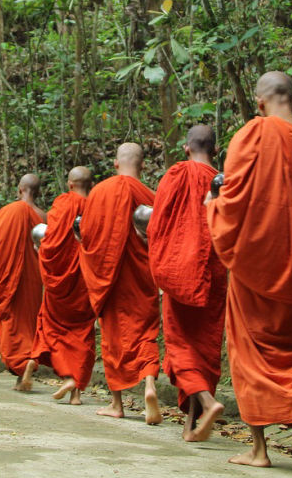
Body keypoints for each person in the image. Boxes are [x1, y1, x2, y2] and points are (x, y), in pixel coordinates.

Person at [205, 72, 292, 467]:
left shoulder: (252, 134)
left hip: (252, 269)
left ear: (259, 103)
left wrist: (211, 208)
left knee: (248, 356)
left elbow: (231, 200)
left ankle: (259, 451)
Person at [147, 125, 226, 442]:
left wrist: (160, 267)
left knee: (180, 345)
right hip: (215, 273)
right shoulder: (224, 181)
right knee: (204, 347)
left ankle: (207, 403)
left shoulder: (175, 175)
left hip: (179, 269)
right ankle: (190, 425)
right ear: (216, 151)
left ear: (185, 148)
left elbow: (158, 225)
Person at [79, 143, 160, 424]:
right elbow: (159, 238)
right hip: (141, 279)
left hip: (109, 280)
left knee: (113, 338)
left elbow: (87, 236)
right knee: (145, 334)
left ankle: (117, 404)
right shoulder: (152, 196)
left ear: (115, 164)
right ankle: (150, 385)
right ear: (144, 166)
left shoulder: (99, 192)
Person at [31, 166, 96, 405]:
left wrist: (41, 254)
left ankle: (68, 377)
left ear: (69, 184)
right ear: (91, 185)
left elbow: (49, 243)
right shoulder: (96, 207)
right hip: (84, 280)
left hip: (58, 283)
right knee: (83, 332)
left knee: (58, 329)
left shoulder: (61, 204)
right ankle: (76, 391)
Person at [0, 174, 47, 390]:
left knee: (13, 324)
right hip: (34, 280)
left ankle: (22, 362)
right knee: (29, 324)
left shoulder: (8, 212)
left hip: (10, 280)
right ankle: (26, 367)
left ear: (20, 190)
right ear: (37, 193)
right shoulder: (43, 215)